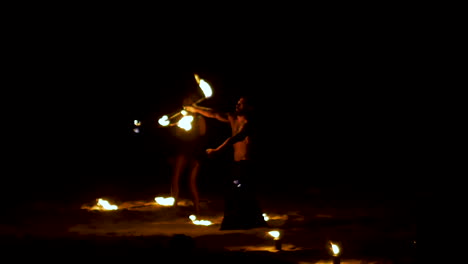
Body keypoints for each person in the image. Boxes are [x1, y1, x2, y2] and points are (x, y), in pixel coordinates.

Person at [184, 95, 269, 230]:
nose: (237, 105)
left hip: (247, 164)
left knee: (243, 192)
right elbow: (213, 113)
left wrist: (217, 150)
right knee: (237, 191)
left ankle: (249, 222)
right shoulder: (232, 117)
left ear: (250, 107)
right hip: (237, 164)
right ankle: (245, 222)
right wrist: (195, 109)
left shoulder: (249, 122)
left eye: (241, 104)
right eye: (237, 102)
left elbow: (235, 138)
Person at [169, 94, 208, 215]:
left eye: (188, 104)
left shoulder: (199, 118)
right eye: (184, 104)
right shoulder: (179, 117)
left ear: (193, 106)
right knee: (175, 178)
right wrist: (177, 126)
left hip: (194, 149)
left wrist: (193, 126)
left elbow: (202, 133)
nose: (185, 106)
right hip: (182, 149)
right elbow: (177, 135)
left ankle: (196, 207)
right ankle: (174, 205)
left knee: (191, 181)